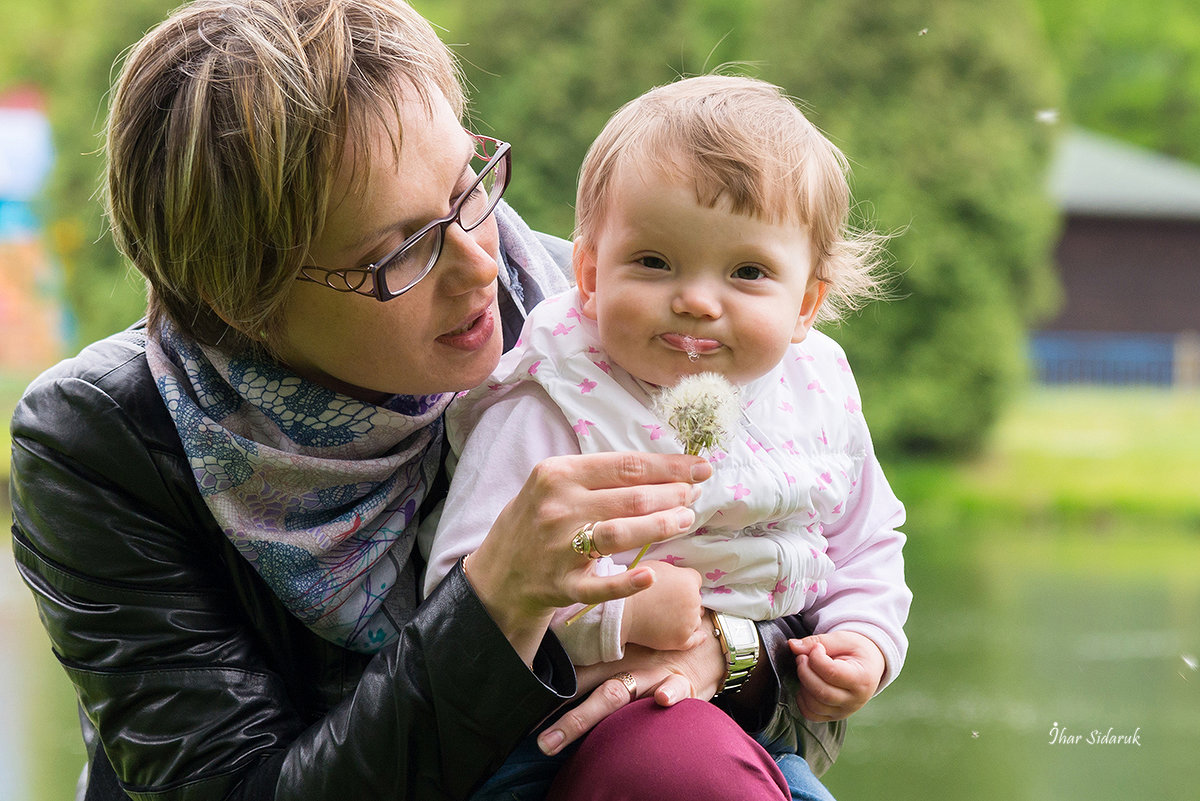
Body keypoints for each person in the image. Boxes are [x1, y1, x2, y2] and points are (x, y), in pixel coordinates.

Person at [8, 3, 840, 800]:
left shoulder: (598, 319)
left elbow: (820, 609)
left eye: (465, 189)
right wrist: (490, 606)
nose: (479, 263)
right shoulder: (105, 438)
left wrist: (722, 652)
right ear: (243, 300)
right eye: (400, 250)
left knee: (682, 762)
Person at [424, 76, 912, 800]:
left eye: (748, 271)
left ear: (806, 300)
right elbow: (464, 589)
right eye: (654, 262)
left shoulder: (816, 392)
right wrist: (623, 616)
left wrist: (865, 639)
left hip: (755, 724)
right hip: (553, 736)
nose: (696, 298)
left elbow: (866, 539)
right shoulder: (554, 395)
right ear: (588, 272)